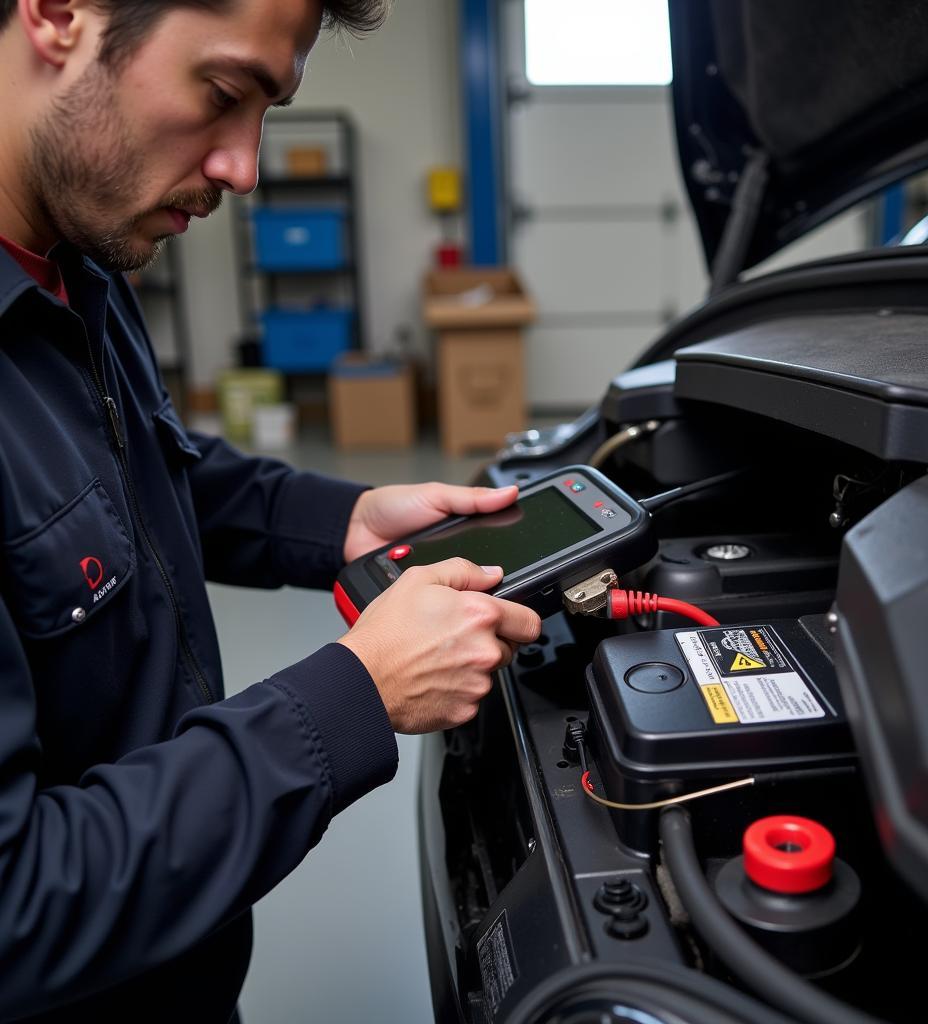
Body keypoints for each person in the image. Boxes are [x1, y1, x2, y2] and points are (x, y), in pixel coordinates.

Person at [0, 0, 542, 1019]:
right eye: (221, 95)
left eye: (267, 112)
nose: (245, 169)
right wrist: (353, 694)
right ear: (60, 14)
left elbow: (143, 478)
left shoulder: (79, 258)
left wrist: (346, 519)